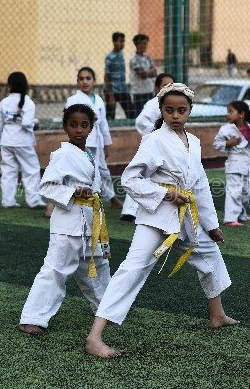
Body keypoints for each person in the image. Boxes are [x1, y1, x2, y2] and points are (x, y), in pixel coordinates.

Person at [85, 83, 237, 358]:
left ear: (190, 111)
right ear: (161, 111)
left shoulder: (194, 142)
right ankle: (95, 337)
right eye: (169, 110)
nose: (175, 115)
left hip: (188, 216)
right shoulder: (154, 140)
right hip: (158, 216)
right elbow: (130, 179)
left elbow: (200, 184)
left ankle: (217, 314)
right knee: (133, 269)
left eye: (181, 110)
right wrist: (164, 193)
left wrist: (212, 225)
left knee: (210, 254)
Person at [18, 104, 112, 335]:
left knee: (97, 266)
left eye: (84, 125)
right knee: (56, 269)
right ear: (65, 127)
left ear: (91, 128)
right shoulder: (62, 155)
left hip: (90, 221)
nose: (78, 130)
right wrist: (73, 192)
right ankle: (33, 317)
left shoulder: (89, 155)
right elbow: (46, 187)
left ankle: (108, 309)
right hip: (68, 223)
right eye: (73, 125)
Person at [121, 72, 175, 221]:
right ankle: (129, 210)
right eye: (164, 86)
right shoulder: (153, 104)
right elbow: (140, 122)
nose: (168, 89)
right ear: (157, 88)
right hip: (152, 146)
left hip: (164, 146)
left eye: (171, 86)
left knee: (154, 176)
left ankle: (135, 209)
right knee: (141, 174)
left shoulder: (173, 105)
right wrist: (156, 134)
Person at [66, 67, 121, 210]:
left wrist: (106, 144)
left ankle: (111, 197)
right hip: (81, 140)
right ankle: (88, 197)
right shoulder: (73, 100)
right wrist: (89, 117)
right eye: (81, 79)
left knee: (103, 170)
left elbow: (103, 123)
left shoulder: (99, 100)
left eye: (88, 78)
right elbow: (68, 120)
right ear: (77, 82)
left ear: (94, 81)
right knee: (87, 170)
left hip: (98, 140)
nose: (85, 82)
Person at [0, 71, 43, 209]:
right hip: (23, 141)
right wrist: (35, 124)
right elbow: (26, 123)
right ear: (25, 85)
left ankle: (8, 201)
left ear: (9, 85)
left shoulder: (4, 102)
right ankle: (34, 201)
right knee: (31, 170)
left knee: (8, 171)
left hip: (6, 140)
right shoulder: (28, 102)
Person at [214, 100, 250, 226]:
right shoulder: (225, 130)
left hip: (247, 164)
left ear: (241, 114)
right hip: (234, 164)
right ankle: (230, 218)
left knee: (246, 192)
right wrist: (228, 143)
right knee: (234, 191)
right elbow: (216, 144)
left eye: (231, 112)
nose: (228, 114)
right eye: (228, 112)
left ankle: (242, 214)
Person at [104, 32, 134, 120]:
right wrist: (111, 97)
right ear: (114, 42)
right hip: (113, 90)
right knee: (110, 117)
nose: (122, 44)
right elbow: (107, 77)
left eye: (123, 41)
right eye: (120, 41)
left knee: (131, 114)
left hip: (123, 89)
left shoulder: (121, 54)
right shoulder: (110, 57)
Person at [128, 33, 157, 113]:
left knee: (151, 114)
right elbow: (142, 75)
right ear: (137, 44)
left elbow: (155, 72)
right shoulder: (134, 59)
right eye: (144, 43)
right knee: (140, 114)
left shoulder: (148, 58)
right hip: (139, 93)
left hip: (150, 91)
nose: (146, 46)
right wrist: (149, 73)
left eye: (146, 43)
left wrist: (147, 73)